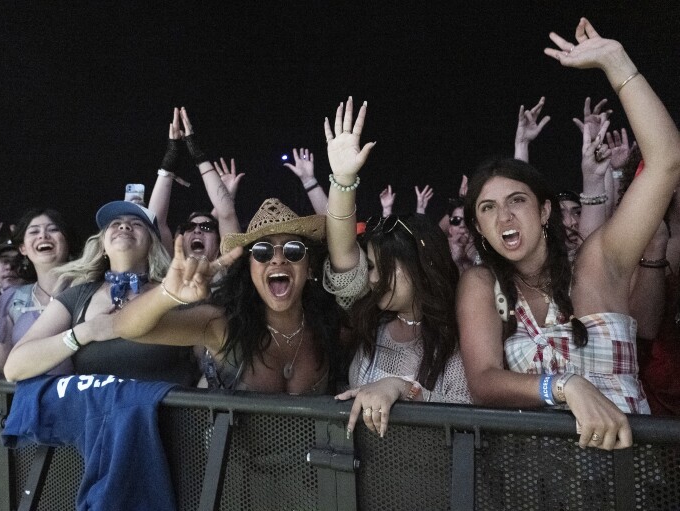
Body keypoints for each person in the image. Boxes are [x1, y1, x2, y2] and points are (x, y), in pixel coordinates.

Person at [457, 18, 680, 450]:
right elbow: (483, 381)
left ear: (544, 211)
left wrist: (617, 64)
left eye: (516, 200)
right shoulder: (483, 284)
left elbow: (667, 161)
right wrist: (565, 386)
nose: (503, 215)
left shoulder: (600, 261)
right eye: (487, 208)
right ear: (480, 229)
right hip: (534, 478)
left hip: (623, 470)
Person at [317, 97, 470, 438]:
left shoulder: (462, 333)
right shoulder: (371, 319)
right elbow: (342, 255)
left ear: (422, 266)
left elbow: (471, 413)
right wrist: (342, 179)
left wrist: (401, 388)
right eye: (370, 266)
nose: (371, 278)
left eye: (380, 267)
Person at [111, 197, 345, 395]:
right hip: (235, 450)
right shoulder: (222, 326)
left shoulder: (330, 327)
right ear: (249, 268)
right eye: (263, 251)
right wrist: (168, 295)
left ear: (310, 267)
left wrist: (383, 388)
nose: (278, 259)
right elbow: (124, 328)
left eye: (293, 250)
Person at [3, 201, 198, 385]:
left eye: (137, 223)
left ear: (151, 245)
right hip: (96, 418)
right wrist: (87, 331)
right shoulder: (77, 296)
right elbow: (14, 368)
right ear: (103, 245)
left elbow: (210, 364)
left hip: (163, 418)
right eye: (115, 223)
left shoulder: (176, 294)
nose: (124, 226)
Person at [0, 208, 77, 389]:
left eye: (53, 229)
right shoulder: (13, 299)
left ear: (68, 240)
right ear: (23, 248)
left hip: (82, 403)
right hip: (31, 405)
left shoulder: (89, 292)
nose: (43, 236)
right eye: (34, 231)